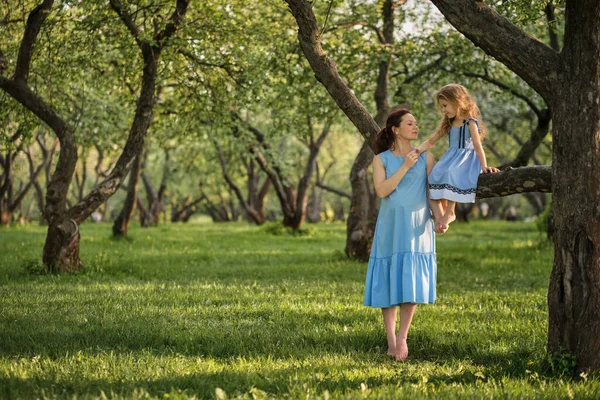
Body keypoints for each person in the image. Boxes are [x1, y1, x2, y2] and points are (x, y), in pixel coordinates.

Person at [363, 108, 441, 361]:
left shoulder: (426, 157)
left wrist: (441, 218)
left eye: (416, 123)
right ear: (396, 129)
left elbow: (432, 193)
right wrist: (406, 166)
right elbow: (382, 191)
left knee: (412, 281)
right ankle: (391, 340)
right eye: (410, 123)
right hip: (391, 224)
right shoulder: (381, 159)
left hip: (417, 226)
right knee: (389, 279)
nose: (415, 127)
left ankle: (404, 338)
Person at [417, 84, 499, 233]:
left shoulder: (470, 122)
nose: (443, 110)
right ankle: (441, 216)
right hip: (451, 157)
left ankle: (450, 212)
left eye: (445, 105)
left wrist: (484, 166)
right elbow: (430, 141)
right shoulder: (448, 123)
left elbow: (477, 145)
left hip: (466, 159)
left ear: (457, 101)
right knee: (434, 176)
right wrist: (416, 151)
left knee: (451, 173)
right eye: (441, 107)